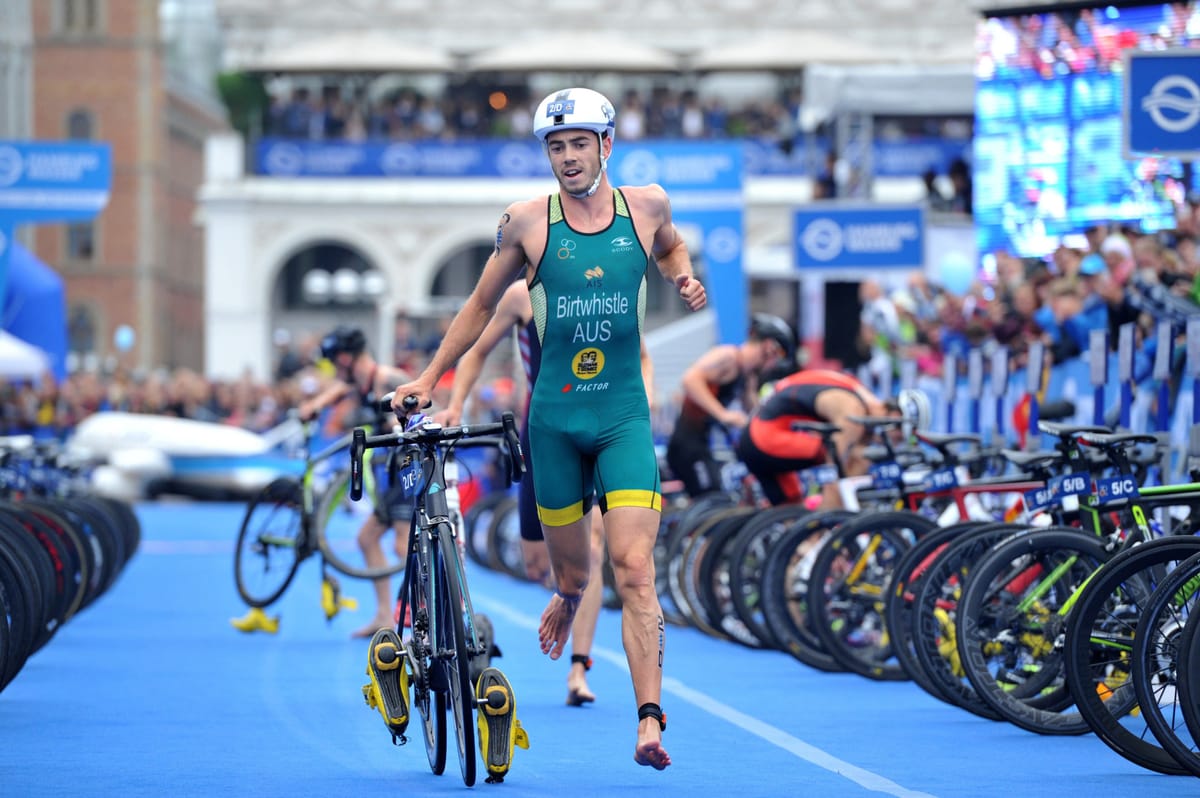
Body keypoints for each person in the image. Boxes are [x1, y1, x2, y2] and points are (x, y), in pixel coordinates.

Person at [390, 87, 706, 771]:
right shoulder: (528, 223)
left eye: (578, 145)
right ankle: (566, 598)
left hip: (623, 419)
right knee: (573, 572)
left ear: (606, 146)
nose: (567, 158)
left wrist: (681, 278)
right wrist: (429, 380)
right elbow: (477, 308)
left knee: (634, 571)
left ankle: (649, 720)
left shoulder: (647, 205)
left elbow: (672, 247)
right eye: (556, 147)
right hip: (554, 427)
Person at [435, 278, 656, 708]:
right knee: (541, 565)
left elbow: (642, 356)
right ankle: (560, 595)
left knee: (593, 550)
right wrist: (456, 404)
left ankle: (579, 666)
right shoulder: (522, 296)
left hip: (606, 424)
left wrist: (642, 402)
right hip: (545, 433)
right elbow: (477, 349)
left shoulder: (606, 286)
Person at [297, 325, 414, 638]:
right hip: (385, 476)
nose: (335, 367)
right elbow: (338, 390)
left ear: (347, 358)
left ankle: (424, 617)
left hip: (405, 471)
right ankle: (383, 616)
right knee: (367, 539)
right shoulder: (360, 383)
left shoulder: (388, 379)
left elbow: (427, 413)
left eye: (336, 360)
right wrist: (314, 407)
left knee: (404, 546)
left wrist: (399, 421)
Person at [735, 368, 930, 508]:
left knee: (791, 512)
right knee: (850, 464)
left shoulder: (861, 399)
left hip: (758, 435)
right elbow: (834, 475)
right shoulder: (854, 413)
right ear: (894, 416)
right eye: (898, 436)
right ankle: (821, 540)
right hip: (763, 437)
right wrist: (831, 534)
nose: (894, 442)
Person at [666, 312, 794, 498]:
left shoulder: (747, 376)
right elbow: (690, 379)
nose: (775, 365)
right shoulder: (729, 356)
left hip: (702, 443)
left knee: (728, 494)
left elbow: (755, 413)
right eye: (779, 355)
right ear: (769, 346)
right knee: (712, 499)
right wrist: (723, 415)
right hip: (686, 445)